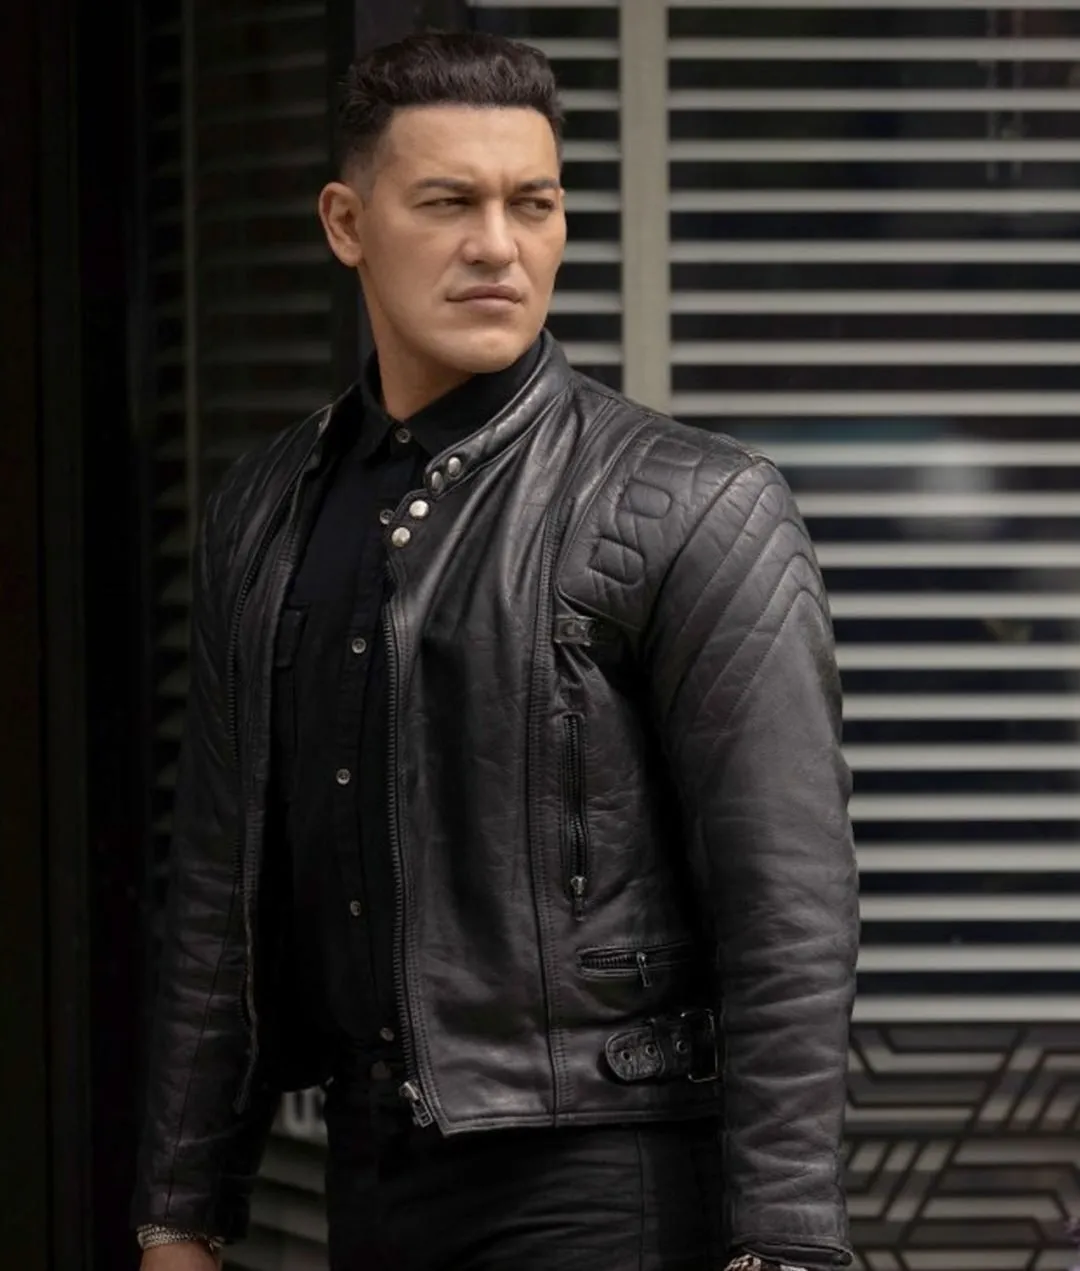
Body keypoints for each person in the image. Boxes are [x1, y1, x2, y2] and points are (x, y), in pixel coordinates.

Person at [131, 29, 859, 1271]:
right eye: (448, 203)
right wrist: (181, 1210)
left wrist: (788, 1240)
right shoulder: (268, 506)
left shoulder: (692, 501)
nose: (498, 246)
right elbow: (219, 884)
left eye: (533, 203)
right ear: (347, 223)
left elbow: (788, 901)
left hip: (606, 1174)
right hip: (372, 1166)